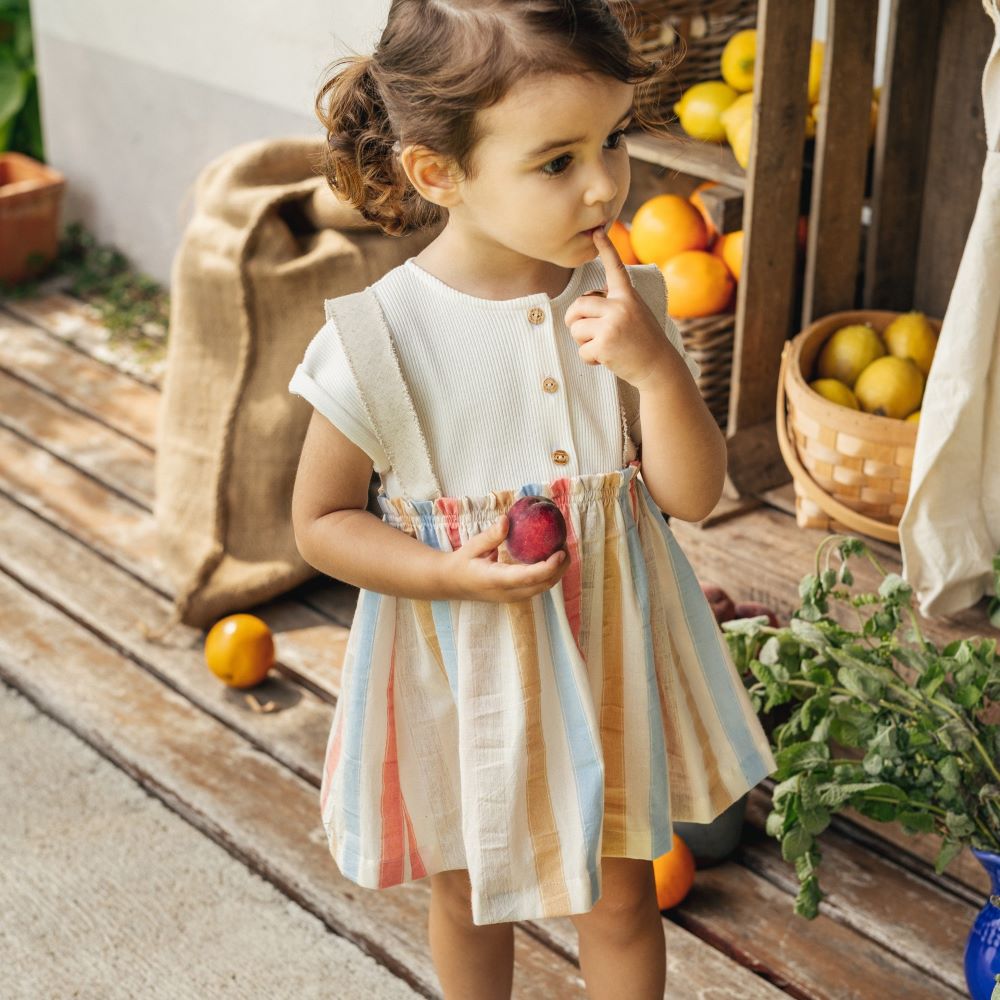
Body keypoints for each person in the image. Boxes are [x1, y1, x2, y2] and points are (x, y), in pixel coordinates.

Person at [288, 2, 776, 997]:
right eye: (556, 161)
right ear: (439, 174)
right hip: (457, 662)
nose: (603, 182)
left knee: (621, 894)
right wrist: (438, 569)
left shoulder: (620, 306)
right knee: (467, 892)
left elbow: (689, 493)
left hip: (606, 661)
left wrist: (659, 376)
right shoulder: (380, 339)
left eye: (613, 140)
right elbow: (319, 522)